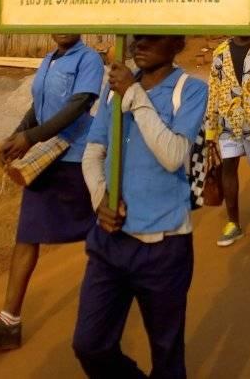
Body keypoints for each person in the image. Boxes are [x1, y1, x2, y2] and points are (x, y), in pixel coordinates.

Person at [73, 35, 208, 378]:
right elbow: (94, 150)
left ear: (177, 43)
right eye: (137, 36)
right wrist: (100, 198)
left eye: (153, 36)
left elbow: (173, 156)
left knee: (166, 353)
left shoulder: (190, 90)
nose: (140, 44)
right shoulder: (112, 89)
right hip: (110, 242)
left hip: (164, 247)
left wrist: (133, 94)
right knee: (90, 345)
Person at [0, 34, 104, 351]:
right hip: (47, 159)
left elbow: (79, 104)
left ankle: (110, 305)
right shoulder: (49, 59)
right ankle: (9, 322)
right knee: (27, 234)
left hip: (78, 157)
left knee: (101, 233)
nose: (62, 29)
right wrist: (17, 135)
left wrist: (32, 137)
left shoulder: (89, 59)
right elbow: (37, 107)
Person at [205, 34, 250, 248]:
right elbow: (213, 90)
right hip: (229, 118)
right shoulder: (219, 52)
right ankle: (233, 222)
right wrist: (211, 130)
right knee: (228, 166)